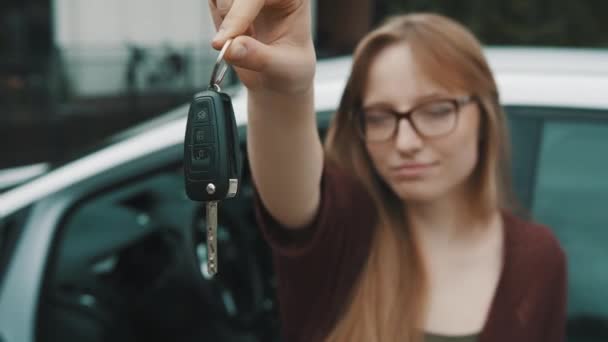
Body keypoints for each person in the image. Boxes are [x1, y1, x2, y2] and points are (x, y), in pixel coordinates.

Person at [208, 1, 567, 341]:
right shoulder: (344, 226)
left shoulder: (537, 258)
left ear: (485, 114)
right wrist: (282, 92)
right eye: (380, 117)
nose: (406, 141)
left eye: (437, 110)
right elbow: (290, 187)